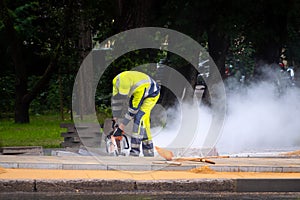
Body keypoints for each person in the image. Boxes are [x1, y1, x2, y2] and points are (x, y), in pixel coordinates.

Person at [111, 71, 160, 157]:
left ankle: (135, 151)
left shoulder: (138, 88)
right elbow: (116, 100)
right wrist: (115, 119)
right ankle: (148, 151)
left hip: (152, 94)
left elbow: (133, 110)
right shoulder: (116, 81)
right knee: (144, 122)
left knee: (139, 118)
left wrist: (121, 127)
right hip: (139, 90)